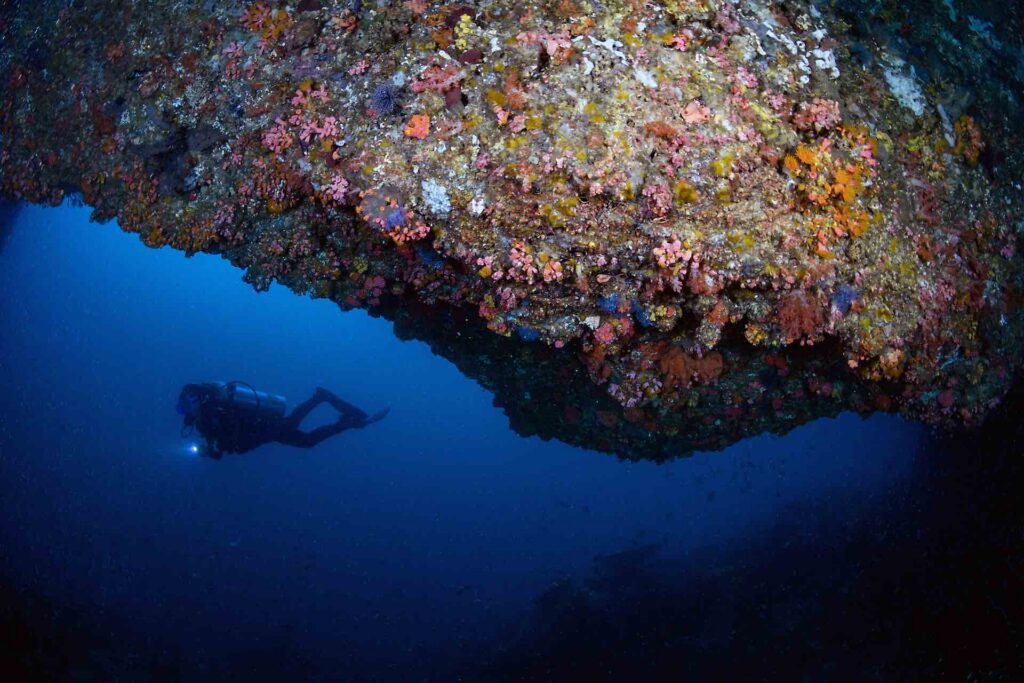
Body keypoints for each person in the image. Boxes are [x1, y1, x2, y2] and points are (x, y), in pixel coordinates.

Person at [176, 381, 388, 459]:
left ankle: (346, 420)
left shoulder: (207, 415)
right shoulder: (209, 412)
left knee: (307, 441)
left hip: (265, 430)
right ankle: (321, 398)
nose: (184, 412)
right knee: (296, 426)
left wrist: (214, 448)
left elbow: (230, 434)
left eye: (184, 407)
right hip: (266, 428)